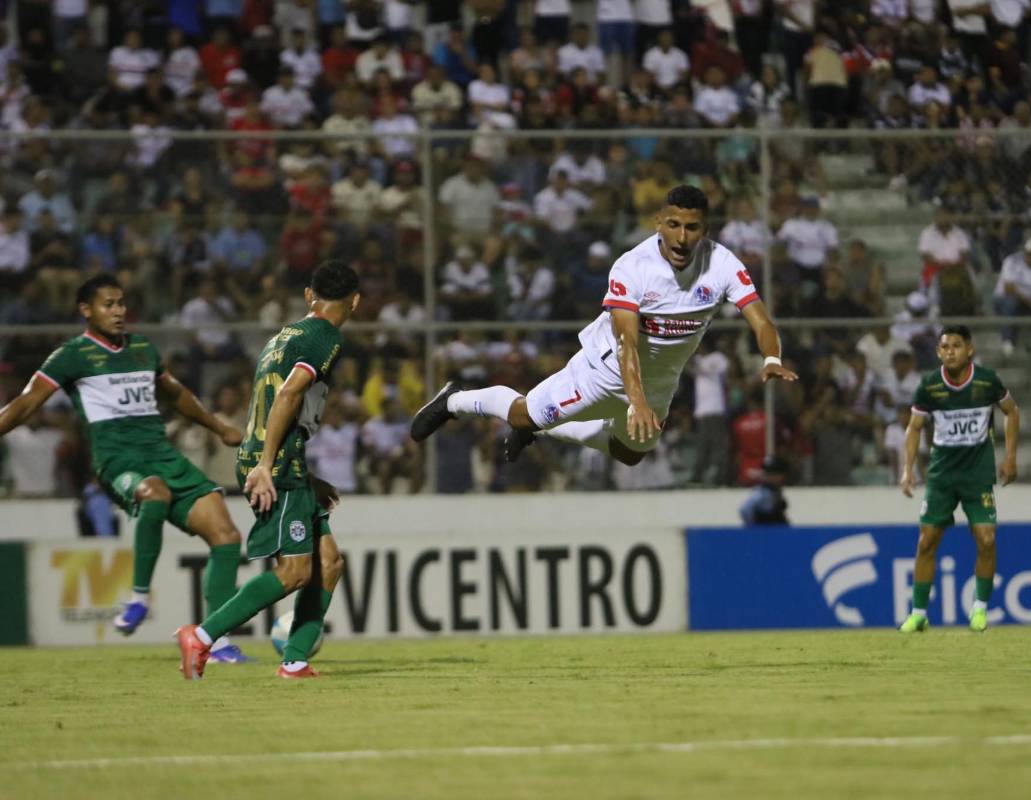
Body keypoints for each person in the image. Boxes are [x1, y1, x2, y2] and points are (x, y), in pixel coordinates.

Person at [410, 185, 798, 468]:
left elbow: (760, 318)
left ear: (706, 229)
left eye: (692, 228)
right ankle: (454, 399)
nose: (681, 238)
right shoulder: (633, 267)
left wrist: (770, 357)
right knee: (522, 414)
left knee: (630, 454)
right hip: (604, 370)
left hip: (660, 383)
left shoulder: (724, 264)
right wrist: (638, 402)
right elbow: (627, 342)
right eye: (673, 225)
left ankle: (544, 428)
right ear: (658, 223)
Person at [0, 275, 249, 662]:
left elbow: (176, 394)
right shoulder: (72, 356)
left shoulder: (142, 348)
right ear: (86, 310)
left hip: (162, 456)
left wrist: (219, 426)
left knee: (227, 535)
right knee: (155, 494)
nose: (118, 312)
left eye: (121, 304)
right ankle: (139, 599)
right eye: (108, 304)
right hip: (119, 461)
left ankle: (214, 642)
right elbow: (26, 403)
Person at [174, 261, 361, 680]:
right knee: (296, 572)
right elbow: (291, 393)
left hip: (283, 458)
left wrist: (301, 473)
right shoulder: (324, 337)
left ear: (310, 295)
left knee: (329, 562)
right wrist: (266, 463)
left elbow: (272, 400)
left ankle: (294, 660)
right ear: (356, 301)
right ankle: (202, 637)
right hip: (274, 463)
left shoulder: (284, 336)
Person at [898, 325, 1021, 634]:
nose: (950, 351)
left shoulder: (986, 381)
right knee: (926, 541)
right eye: (944, 346)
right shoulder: (929, 386)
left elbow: (1012, 411)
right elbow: (913, 428)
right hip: (941, 475)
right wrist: (907, 469)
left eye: (956, 345)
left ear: (970, 350)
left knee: (987, 539)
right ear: (939, 352)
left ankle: (979, 610)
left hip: (977, 475)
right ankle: (918, 613)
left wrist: (1010, 458)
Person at [738, 455, 790, 525]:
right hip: (763, 531)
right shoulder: (762, 492)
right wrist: (754, 529)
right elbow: (745, 510)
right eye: (768, 473)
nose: (770, 476)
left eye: (774, 473)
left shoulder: (775, 491)